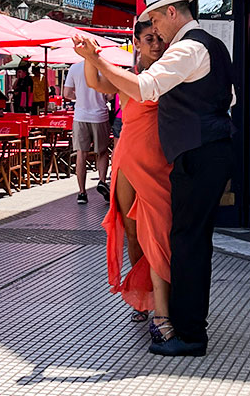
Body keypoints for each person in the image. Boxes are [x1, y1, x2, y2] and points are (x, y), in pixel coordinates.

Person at [74, 0, 235, 357]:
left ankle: (191, 334)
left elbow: (145, 88)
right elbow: (229, 99)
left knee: (187, 243)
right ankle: (186, 322)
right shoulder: (213, 46)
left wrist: (96, 58)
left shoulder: (188, 48)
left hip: (197, 154)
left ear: (171, 13)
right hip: (207, 150)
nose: (155, 32)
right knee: (189, 241)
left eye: (155, 21)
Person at [84, 20, 170, 330]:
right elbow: (94, 81)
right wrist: (88, 55)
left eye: (160, 38)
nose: (156, 44)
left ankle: (164, 301)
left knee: (158, 234)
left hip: (158, 164)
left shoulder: (168, 76)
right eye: (149, 38)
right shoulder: (127, 78)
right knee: (133, 234)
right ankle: (142, 296)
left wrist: (95, 58)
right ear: (136, 43)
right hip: (127, 160)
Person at [63, 61, 111, 205]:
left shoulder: (75, 68)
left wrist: (80, 97)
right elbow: (110, 96)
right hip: (100, 116)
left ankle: (82, 193)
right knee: (102, 152)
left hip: (80, 116)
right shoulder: (104, 67)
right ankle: (102, 181)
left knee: (81, 154)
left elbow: (67, 93)